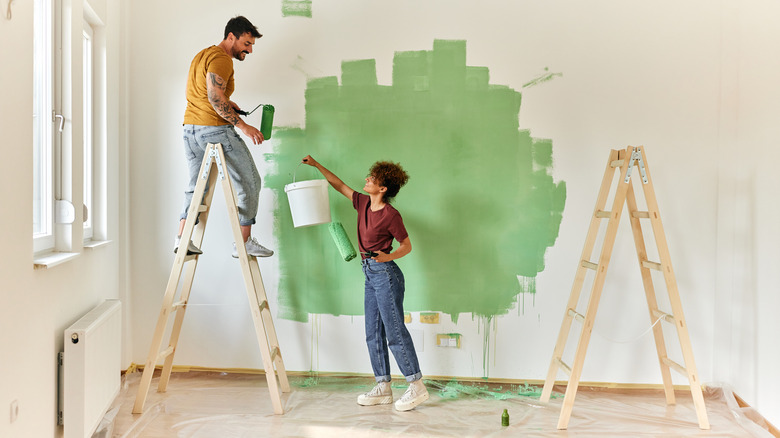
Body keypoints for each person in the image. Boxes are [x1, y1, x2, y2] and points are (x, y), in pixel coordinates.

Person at [302, 155, 429, 411]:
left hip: (386, 274)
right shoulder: (361, 203)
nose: (367, 178)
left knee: (394, 332)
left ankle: (416, 385)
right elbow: (339, 185)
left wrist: (388, 256)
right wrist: (316, 165)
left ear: (383, 188)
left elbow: (407, 245)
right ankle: (383, 386)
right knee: (372, 333)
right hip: (369, 273)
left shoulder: (391, 215)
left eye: (373, 178)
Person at [175, 16, 273, 258]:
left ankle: (182, 239)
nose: (249, 50)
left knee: (196, 186)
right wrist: (243, 126)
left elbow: (205, 93)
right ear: (231, 37)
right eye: (246, 43)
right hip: (214, 130)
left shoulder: (202, 55)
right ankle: (244, 243)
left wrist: (229, 102)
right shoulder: (222, 59)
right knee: (250, 181)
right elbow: (215, 98)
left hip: (190, 129)